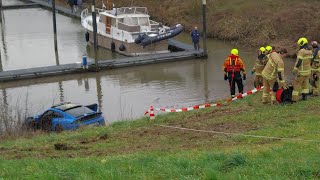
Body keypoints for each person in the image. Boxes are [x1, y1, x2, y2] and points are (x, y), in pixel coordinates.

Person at [292, 37, 312, 102]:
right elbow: (311, 61)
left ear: (301, 43)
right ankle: (304, 97)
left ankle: (295, 99)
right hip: (308, 71)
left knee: (296, 84)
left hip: (301, 72)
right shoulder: (310, 50)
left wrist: (295, 69)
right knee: (305, 84)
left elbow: (299, 61)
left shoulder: (301, 51)